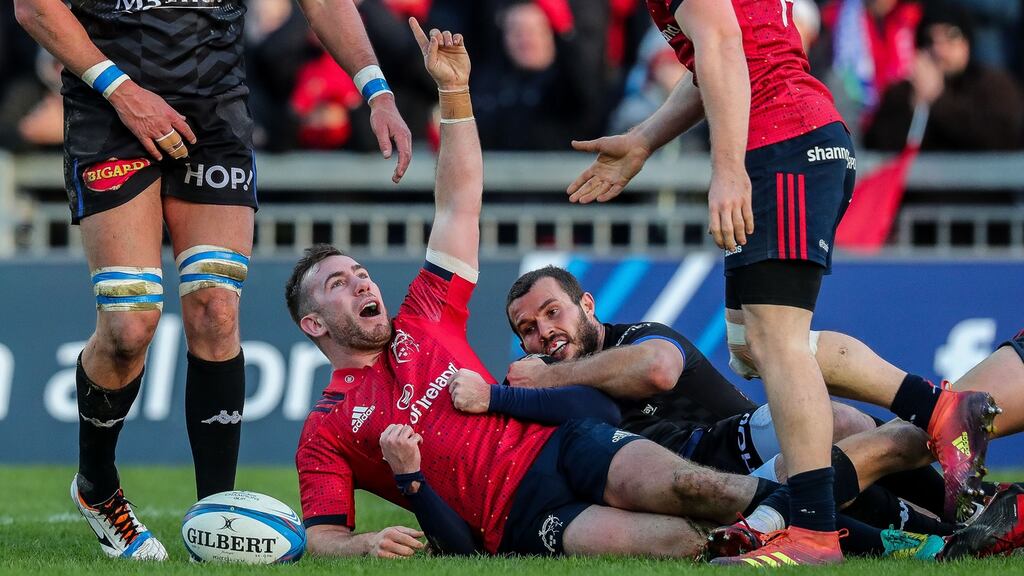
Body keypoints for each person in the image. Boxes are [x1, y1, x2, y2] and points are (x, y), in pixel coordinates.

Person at [290, 20, 783, 560]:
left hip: (561, 444)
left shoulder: (423, 316)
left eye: (359, 271)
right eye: (339, 283)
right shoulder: (324, 430)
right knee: (682, 542)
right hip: (521, 517)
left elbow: (459, 203)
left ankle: (846, 523)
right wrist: (364, 545)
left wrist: (454, 92)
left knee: (699, 490)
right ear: (313, 323)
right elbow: (322, 537)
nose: (362, 280)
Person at [565, 0, 995, 565]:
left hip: (782, 144)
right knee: (752, 346)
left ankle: (814, 533)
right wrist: (645, 139)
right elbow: (722, 61)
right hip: (794, 138)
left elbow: (722, 50)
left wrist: (727, 171)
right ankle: (935, 409)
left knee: (777, 341)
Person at [14, 0, 412, 560]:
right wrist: (123, 91)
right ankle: (97, 488)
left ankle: (216, 517)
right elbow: (34, 9)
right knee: (130, 325)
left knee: (216, 310)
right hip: (110, 105)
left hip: (213, 110)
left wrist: (376, 90)